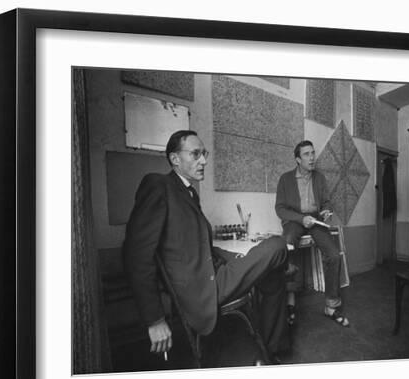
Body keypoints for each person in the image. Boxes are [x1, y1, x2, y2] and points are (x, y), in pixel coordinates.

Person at [124, 130, 290, 364]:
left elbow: (204, 248)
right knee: (277, 244)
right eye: (195, 154)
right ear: (175, 159)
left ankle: (270, 352)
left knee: (273, 279)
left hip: (215, 274)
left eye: (204, 154)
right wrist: (154, 319)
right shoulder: (158, 185)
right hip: (201, 290)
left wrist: (237, 256)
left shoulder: (188, 193)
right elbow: (136, 255)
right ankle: (268, 348)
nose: (203, 160)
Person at [275, 140, 350, 327]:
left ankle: (331, 306)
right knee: (289, 242)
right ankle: (290, 302)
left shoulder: (319, 178)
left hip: (315, 221)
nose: (312, 158)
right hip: (295, 220)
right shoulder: (285, 179)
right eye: (307, 154)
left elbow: (326, 202)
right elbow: (280, 209)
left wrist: (326, 211)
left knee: (334, 255)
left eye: (313, 153)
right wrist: (301, 219)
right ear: (298, 159)